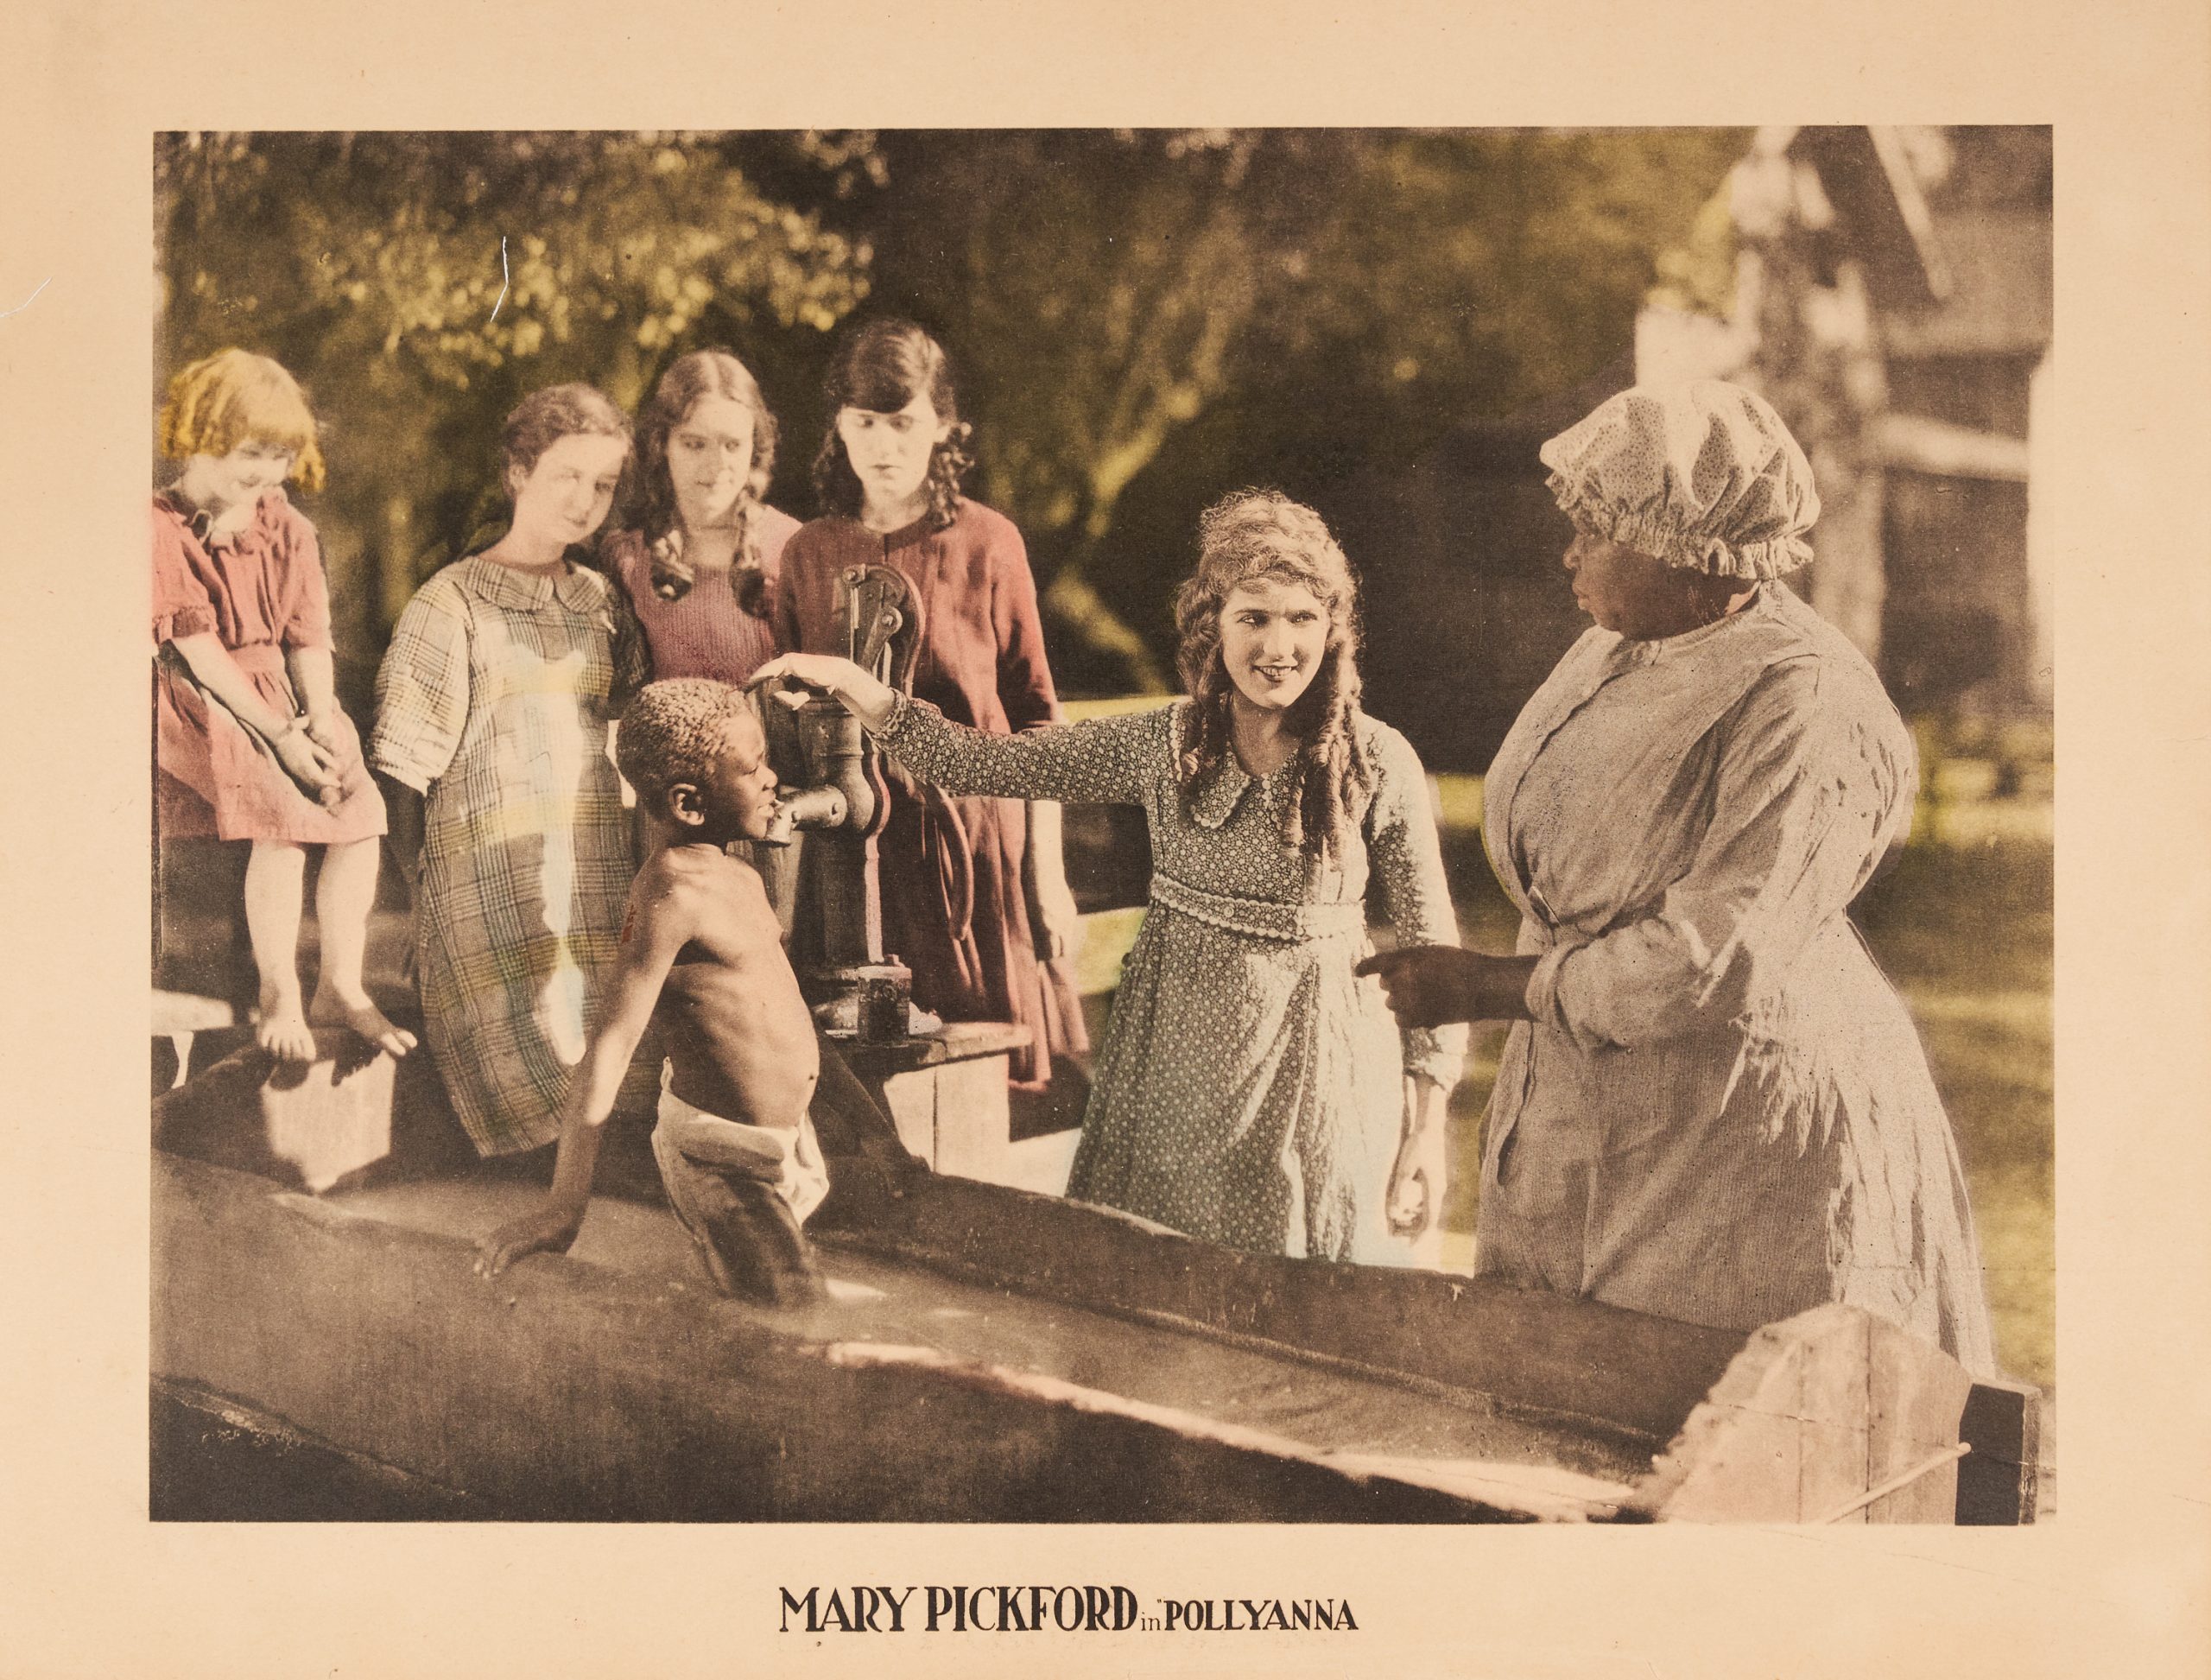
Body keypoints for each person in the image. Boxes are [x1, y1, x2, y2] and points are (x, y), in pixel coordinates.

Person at [1359, 380, 1997, 1372]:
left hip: (1739, 1117)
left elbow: (1717, 952)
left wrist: (1488, 987)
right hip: (1592, 1089)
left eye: (1595, 529)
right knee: (1558, 1390)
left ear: (1686, 547)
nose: (1569, 552)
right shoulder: (1619, 645)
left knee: (1717, 1414)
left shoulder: (1806, 700)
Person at [754, 490, 1466, 1266]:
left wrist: (1426, 1130)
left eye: (1302, 618)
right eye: (1252, 617)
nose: (1278, 645)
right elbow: (986, 762)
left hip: (1322, 1068)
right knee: (1162, 1283)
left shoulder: (1375, 758)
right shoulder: (1169, 743)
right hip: (1174, 1069)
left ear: (1332, 630)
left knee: (1306, 1287)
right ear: (1212, 626)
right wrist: (858, 686)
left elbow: (1437, 953)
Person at [772, 319, 1084, 1093]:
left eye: (903, 422)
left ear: (942, 425)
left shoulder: (988, 542)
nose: (883, 445)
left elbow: (1040, 716)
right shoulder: (807, 552)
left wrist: (1047, 870)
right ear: (838, 427)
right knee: (864, 1089)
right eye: (864, 422)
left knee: (976, 1085)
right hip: (848, 859)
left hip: (970, 849)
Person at [473, 680, 832, 1306]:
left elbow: (783, 1012)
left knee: (764, 1295)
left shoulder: (739, 874)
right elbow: (608, 1050)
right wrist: (563, 1208)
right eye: (753, 768)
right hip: (718, 1158)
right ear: (690, 803)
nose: (773, 778)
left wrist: (875, 1138)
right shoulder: (669, 894)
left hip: (786, 1145)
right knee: (795, 1299)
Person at [368, 384, 656, 1160]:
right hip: (486, 897)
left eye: (602, 485)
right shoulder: (451, 603)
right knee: (547, 1117)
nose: (586, 501)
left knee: (617, 1110)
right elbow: (402, 778)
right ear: (519, 472)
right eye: (567, 476)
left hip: (591, 881)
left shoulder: (600, 601)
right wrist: (425, 902)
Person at [153, 348, 415, 1063]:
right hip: (208, 699)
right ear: (199, 432)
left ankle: (340, 983)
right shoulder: (162, 526)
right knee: (285, 818)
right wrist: (280, 735)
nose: (267, 471)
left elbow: (309, 636)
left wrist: (321, 718)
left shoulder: (288, 527)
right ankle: (278, 988)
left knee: (357, 815)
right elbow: (198, 651)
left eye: (280, 455)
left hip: (287, 694)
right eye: (251, 451)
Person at [599, 348, 800, 686]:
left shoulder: (792, 547)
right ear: (663, 444)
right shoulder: (627, 560)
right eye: (695, 444)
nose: (716, 465)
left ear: (754, 447)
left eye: (732, 445)